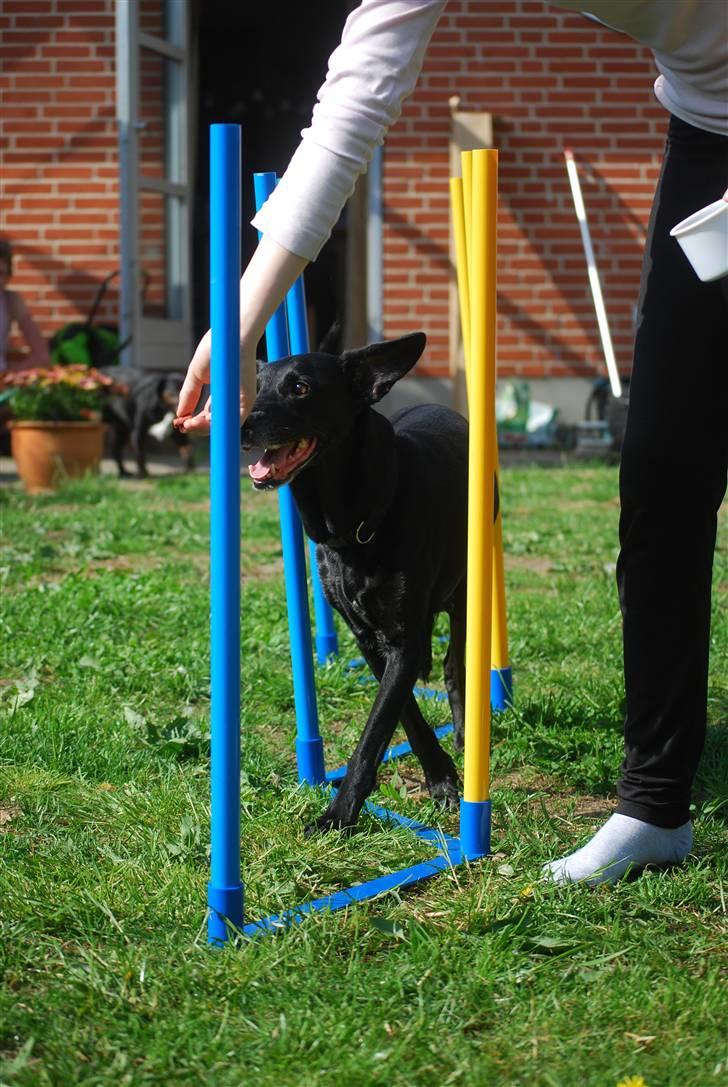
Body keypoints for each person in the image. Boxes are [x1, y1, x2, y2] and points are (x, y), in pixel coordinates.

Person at [176, 1, 728, 885]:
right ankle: (655, 804)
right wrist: (240, 321)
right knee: (662, 474)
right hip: (709, 127)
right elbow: (357, 96)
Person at [0, 239, 51, 372]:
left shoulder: (11, 301)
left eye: (0, 273)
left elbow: (41, 356)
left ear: (9, 276)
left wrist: (9, 375)